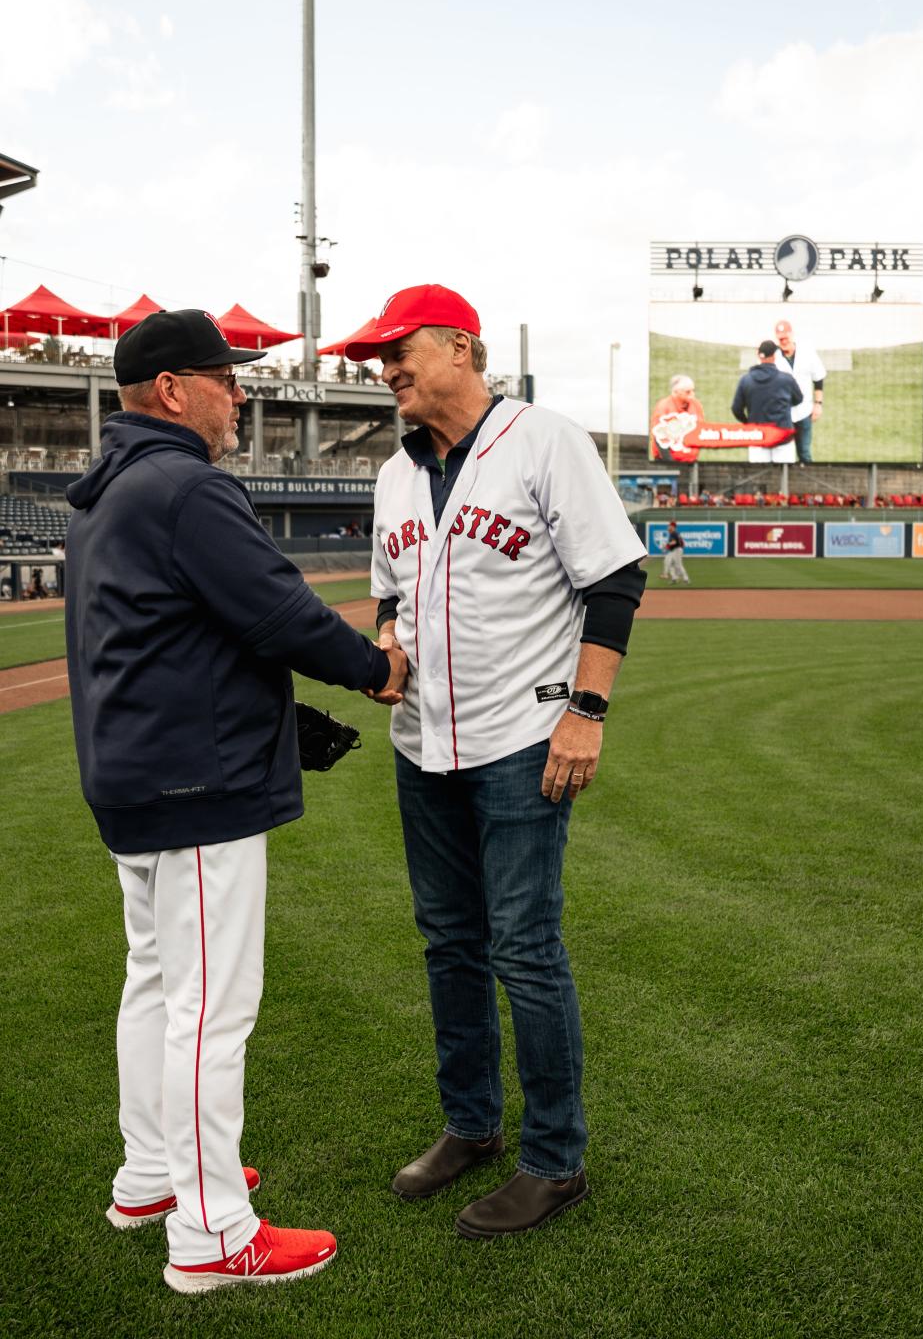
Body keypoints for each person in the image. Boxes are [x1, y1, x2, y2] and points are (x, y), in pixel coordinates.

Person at [64, 309, 407, 1294]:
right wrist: (373, 668)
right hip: (192, 786)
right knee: (209, 1010)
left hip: (132, 778)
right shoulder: (182, 484)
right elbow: (277, 608)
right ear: (172, 390)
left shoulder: (108, 489)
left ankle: (153, 1178)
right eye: (224, 376)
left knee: (157, 989)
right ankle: (212, 1233)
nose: (240, 392)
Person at [343, 284, 647, 1239]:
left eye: (400, 349)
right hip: (421, 740)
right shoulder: (395, 473)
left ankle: (555, 1160)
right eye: (376, 355)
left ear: (463, 349)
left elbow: (613, 579)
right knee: (448, 944)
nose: (383, 367)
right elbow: (390, 592)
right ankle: (471, 1126)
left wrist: (586, 714)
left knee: (524, 947)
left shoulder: (545, 440)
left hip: (522, 737)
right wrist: (387, 643)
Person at [732, 339, 803, 464]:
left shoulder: (746, 380)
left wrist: (749, 422)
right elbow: (799, 399)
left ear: (758, 355)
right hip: (783, 436)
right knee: (784, 477)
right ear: (774, 356)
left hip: (757, 436)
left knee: (760, 479)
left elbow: (736, 409)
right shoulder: (786, 379)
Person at [773, 319, 825, 466]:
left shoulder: (807, 352)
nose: (783, 341)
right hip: (782, 414)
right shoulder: (774, 357)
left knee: (804, 453)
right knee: (782, 455)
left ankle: (808, 488)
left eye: (785, 337)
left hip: (804, 412)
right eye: (780, 338)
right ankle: (784, 488)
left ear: (791, 334)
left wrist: (818, 404)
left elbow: (818, 377)